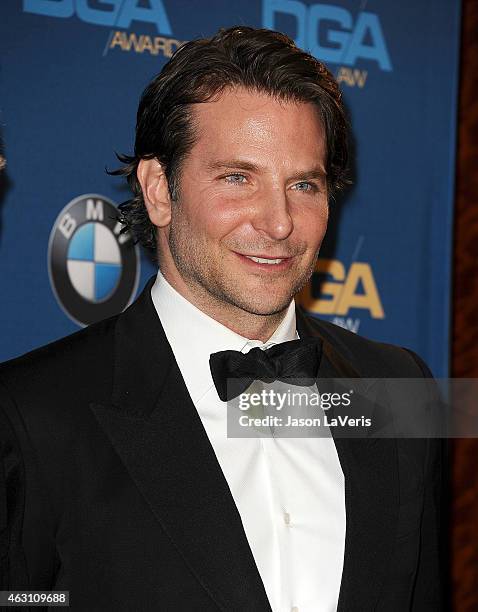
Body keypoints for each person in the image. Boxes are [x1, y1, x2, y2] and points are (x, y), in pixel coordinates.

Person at [0, 27, 444, 611]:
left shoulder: (398, 385)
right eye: (238, 178)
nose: (280, 222)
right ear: (159, 190)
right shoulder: (30, 414)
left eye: (303, 184)